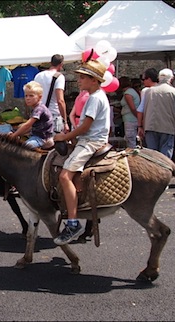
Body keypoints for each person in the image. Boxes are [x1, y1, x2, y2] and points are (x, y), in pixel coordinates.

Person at [52, 59, 110, 245]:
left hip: (92, 142)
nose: (78, 81)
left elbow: (86, 126)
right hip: (88, 139)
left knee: (64, 176)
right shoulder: (96, 95)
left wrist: (64, 137)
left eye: (83, 78)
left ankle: (73, 223)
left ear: (94, 80)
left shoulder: (94, 98)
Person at [137, 68, 175, 159]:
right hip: (167, 127)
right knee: (165, 157)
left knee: (151, 156)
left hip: (150, 127)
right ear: (171, 79)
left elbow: (140, 110)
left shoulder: (148, 91)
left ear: (159, 78)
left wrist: (140, 126)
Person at [8, 81, 54, 150]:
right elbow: (30, 127)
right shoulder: (35, 108)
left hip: (42, 138)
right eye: (26, 96)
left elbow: (28, 125)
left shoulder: (39, 109)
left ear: (39, 97)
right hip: (35, 135)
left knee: (21, 150)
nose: (27, 98)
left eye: (31, 96)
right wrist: (16, 132)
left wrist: (14, 135)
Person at [34, 54, 70, 135]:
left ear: (51, 63)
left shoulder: (38, 76)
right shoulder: (59, 77)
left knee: (41, 140)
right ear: (61, 65)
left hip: (39, 113)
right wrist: (65, 122)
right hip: (53, 114)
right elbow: (60, 100)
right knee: (55, 142)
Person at [119, 76, 140, 148]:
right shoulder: (131, 91)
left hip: (131, 119)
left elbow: (133, 108)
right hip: (131, 118)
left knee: (130, 140)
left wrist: (138, 118)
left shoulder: (128, 94)